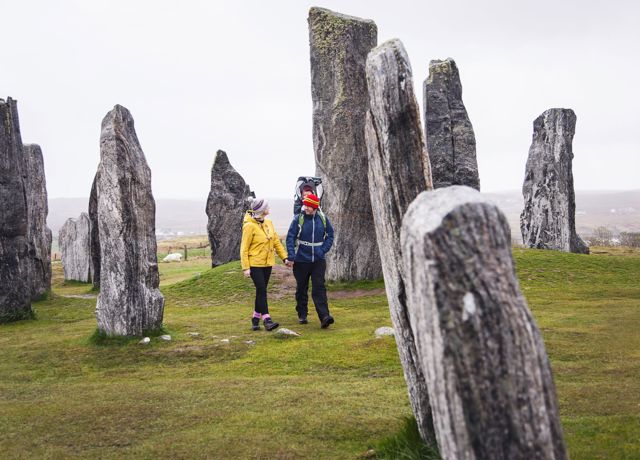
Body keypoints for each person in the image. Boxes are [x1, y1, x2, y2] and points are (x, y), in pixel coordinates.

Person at [240, 198, 292, 331]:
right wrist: (246, 267)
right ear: (262, 210)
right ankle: (267, 320)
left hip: (268, 263)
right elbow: (244, 248)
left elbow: (276, 242)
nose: (269, 208)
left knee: (260, 291)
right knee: (262, 289)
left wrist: (285, 258)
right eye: (267, 207)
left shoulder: (269, 223)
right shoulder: (249, 226)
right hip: (255, 264)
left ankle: (255, 318)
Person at [286, 193, 335, 328]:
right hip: (301, 260)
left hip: (318, 260)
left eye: (308, 205)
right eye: (305, 205)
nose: (305, 207)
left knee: (319, 287)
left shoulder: (323, 219)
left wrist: (322, 250)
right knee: (301, 288)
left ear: (314, 207)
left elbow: (330, 235)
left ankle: (324, 316)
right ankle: (302, 314)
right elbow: (290, 238)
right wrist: (291, 256)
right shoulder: (298, 219)